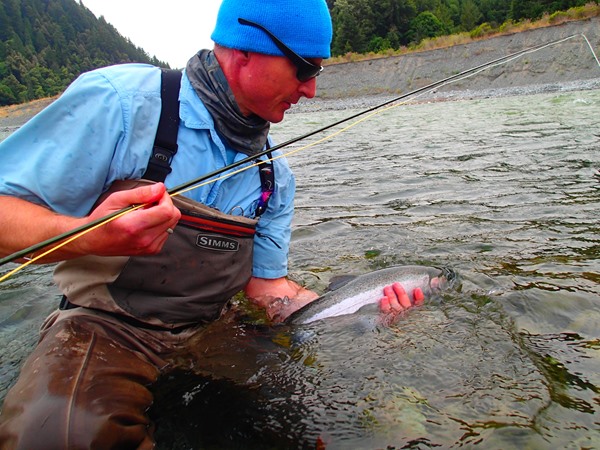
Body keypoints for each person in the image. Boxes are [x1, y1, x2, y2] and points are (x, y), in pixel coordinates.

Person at [0, 0, 421, 447]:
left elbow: (267, 288)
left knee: (310, 428)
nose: (311, 90)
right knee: (55, 437)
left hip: (216, 329)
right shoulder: (121, 103)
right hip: (105, 329)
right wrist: (87, 237)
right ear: (245, 51)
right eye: (305, 69)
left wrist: (358, 306)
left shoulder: (274, 176)